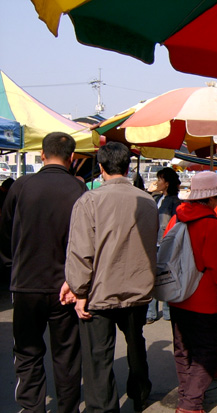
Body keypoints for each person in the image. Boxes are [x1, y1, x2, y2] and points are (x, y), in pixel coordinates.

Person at [62, 142, 158, 412]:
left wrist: (79, 291)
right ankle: (140, 392)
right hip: (138, 287)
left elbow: (81, 251)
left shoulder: (89, 200)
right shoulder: (147, 201)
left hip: (99, 290)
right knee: (135, 342)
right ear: (127, 167)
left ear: (101, 168)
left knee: (99, 355)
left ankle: (103, 407)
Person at [0, 132, 86, 413]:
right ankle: (68, 409)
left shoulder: (22, 186)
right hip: (66, 286)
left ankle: (32, 407)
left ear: (42, 155)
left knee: (26, 351)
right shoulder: (79, 191)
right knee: (67, 355)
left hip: (26, 283)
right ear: (72, 158)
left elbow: (4, 230)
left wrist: (11, 264)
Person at [163, 171, 217, 413]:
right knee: (208, 351)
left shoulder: (177, 218)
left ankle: (188, 397)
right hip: (203, 300)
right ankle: (190, 404)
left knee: (183, 349)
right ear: (213, 198)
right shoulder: (211, 224)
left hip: (176, 296)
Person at [147, 167, 182, 324]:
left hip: (166, 243)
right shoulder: (156, 199)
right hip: (154, 242)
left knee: (167, 277)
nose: (157, 182)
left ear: (167, 183)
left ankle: (167, 310)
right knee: (153, 276)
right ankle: (151, 311)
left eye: (160, 179)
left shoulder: (175, 202)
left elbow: (176, 224)